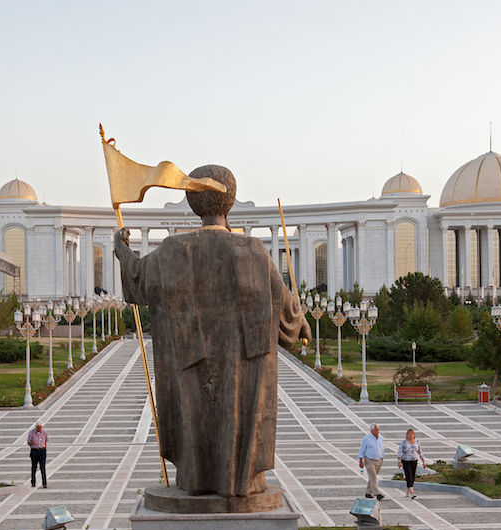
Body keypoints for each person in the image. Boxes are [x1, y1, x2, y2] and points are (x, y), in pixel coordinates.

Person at [113, 164, 310, 498]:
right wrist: (299, 320)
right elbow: (285, 305)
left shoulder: (172, 251)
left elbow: (137, 280)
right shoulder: (253, 250)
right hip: (241, 365)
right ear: (229, 202)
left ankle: (195, 480)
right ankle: (241, 480)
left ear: (191, 199)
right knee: (238, 417)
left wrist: (120, 248)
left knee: (196, 418)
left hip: (191, 363)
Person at [358, 424, 386, 500]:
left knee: (372, 477)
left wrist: (382, 457)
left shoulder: (380, 438)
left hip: (379, 460)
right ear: (372, 430)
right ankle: (377, 493)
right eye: (376, 430)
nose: (378, 431)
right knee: (373, 477)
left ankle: (368, 492)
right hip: (369, 460)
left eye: (378, 430)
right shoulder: (366, 439)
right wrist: (360, 461)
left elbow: (382, 448)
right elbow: (362, 450)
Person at [398, 429, 426, 499]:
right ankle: (412, 492)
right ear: (407, 435)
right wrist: (399, 461)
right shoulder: (404, 442)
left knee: (412, 476)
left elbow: (420, 452)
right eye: (409, 434)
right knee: (409, 475)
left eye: (411, 434)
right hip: (406, 460)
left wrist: (423, 461)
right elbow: (399, 451)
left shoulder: (417, 442)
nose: (410, 435)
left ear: (414, 435)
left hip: (414, 460)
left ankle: (408, 492)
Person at [27, 421, 48, 488]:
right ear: (36, 427)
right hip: (34, 451)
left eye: (40, 427)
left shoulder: (44, 432)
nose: (39, 428)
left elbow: (45, 441)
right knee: (34, 467)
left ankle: (44, 483)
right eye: (38, 427)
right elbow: (28, 442)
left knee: (42, 467)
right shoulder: (31, 432)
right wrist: (31, 443)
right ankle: (33, 482)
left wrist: (45, 449)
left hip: (42, 450)